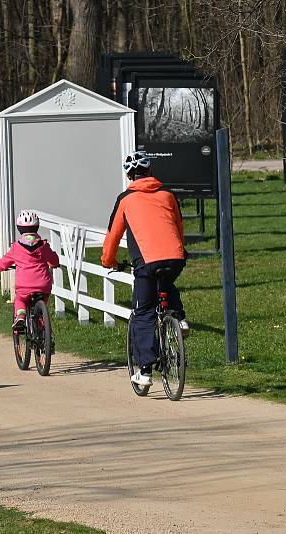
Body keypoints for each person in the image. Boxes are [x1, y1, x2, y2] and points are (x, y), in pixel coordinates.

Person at [101, 150, 189, 388]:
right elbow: (179, 226)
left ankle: (146, 371)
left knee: (143, 313)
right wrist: (180, 251)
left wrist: (108, 261)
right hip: (175, 257)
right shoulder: (168, 195)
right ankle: (179, 318)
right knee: (167, 282)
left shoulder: (125, 199)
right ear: (150, 172)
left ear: (129, 174)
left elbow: (113, 236)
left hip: (146, 262)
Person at [0, 210, 60, 329]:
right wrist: (55, 264)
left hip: (24, 286)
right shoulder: (44, 246)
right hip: (43, 285)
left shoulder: (16, 247)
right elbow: (54, 259)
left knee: (20, 300)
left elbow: (3, 263)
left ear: (19, 228)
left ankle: (21, 316)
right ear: (37, 227)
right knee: (44, 298)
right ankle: (42, 323)